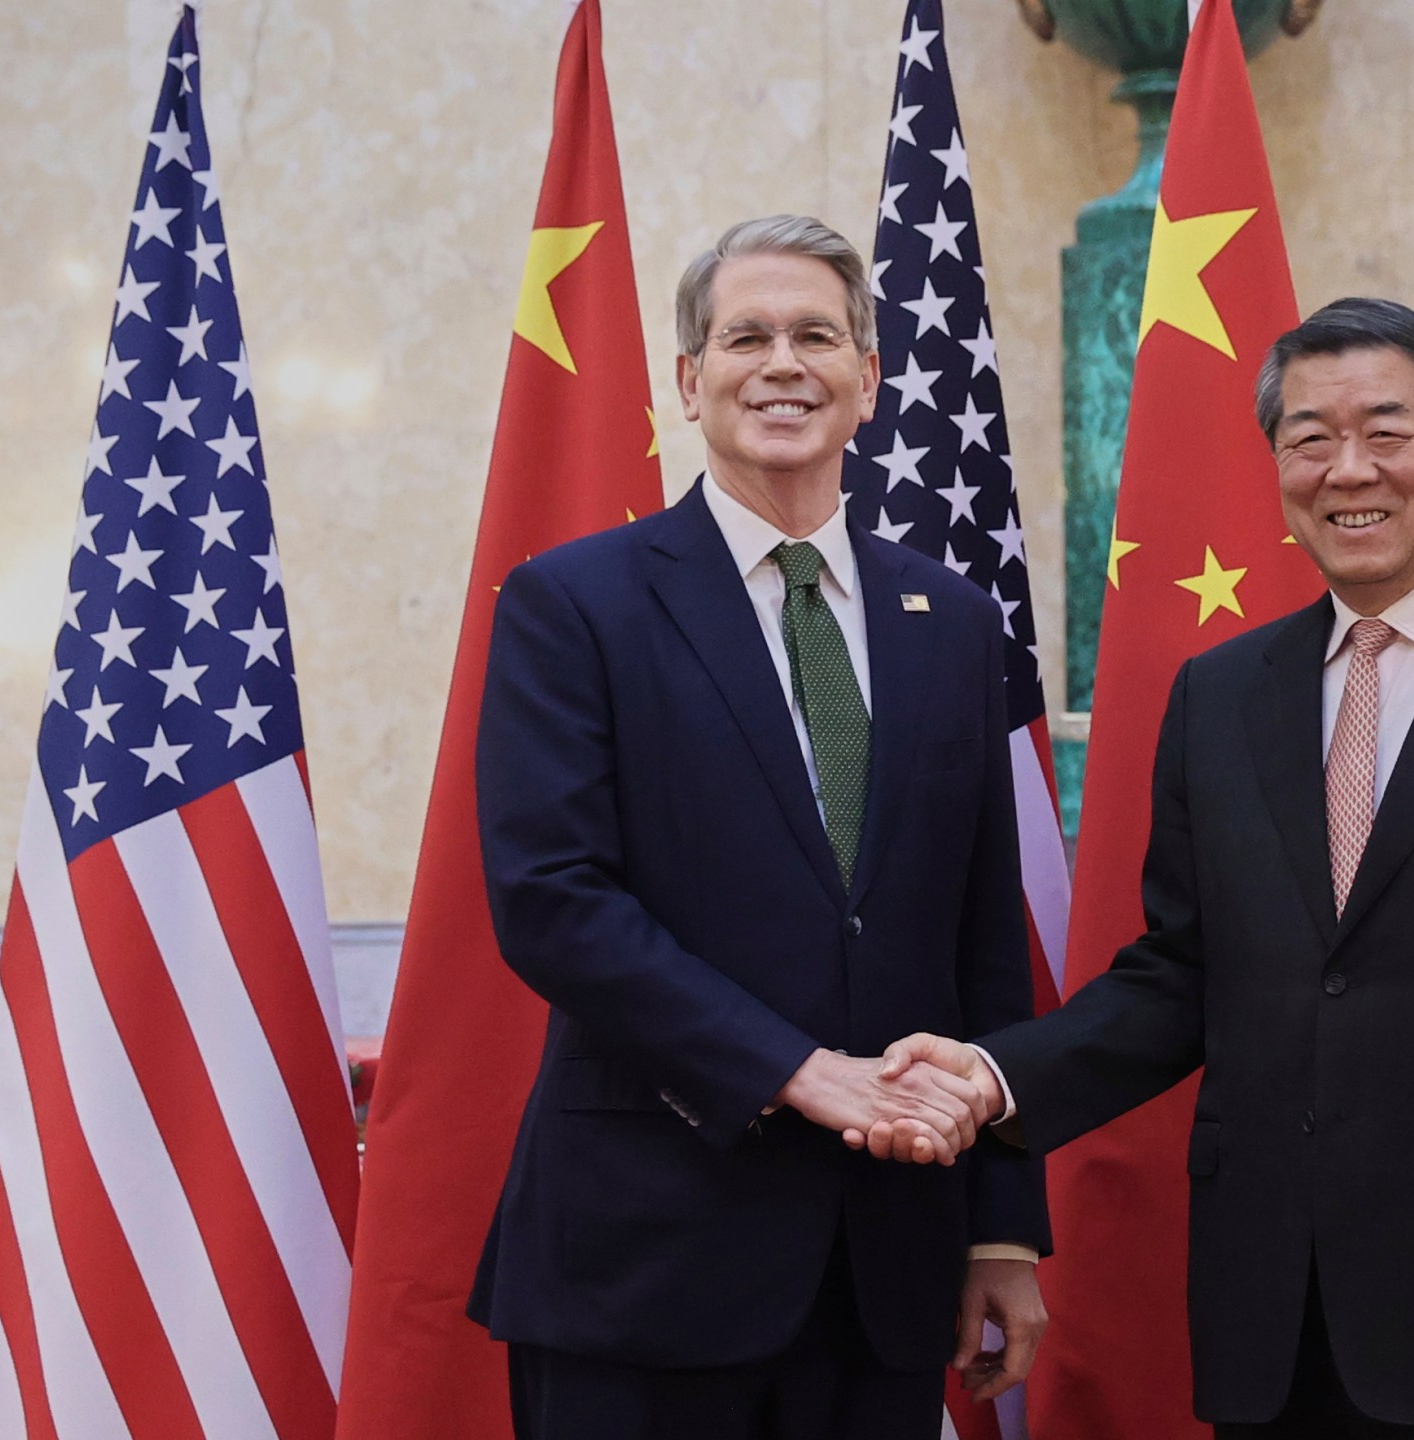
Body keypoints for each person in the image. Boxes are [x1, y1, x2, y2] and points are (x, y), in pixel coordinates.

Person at [882, 298, 1414, 1439]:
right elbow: (1178, 979)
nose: (1348, 469)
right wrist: (993, 1078)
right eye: (1309, 439)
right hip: (1276, 1319)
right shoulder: (1220, 696)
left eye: (1386, 429)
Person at [467, 214, 1049, 1440]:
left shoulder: (948, 619)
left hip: (888, 1268)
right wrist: (796, 1073)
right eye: (745, 337)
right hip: (646, 1260)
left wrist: (1002, 1224)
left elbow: (984, 938)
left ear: (868, 379)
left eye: (815, 336)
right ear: (690, 381)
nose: (782, 364)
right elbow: (552, 901)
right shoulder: (572, 603)